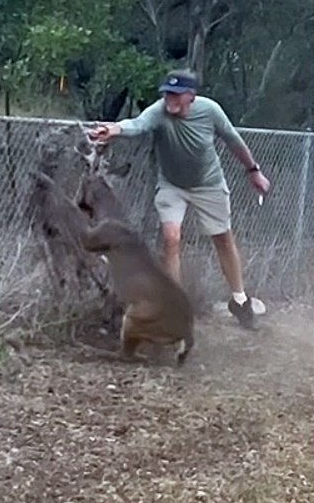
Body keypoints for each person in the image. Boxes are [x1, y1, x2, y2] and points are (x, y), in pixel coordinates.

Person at [87, 69, 272, 328]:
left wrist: (253, 171)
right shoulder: (158, 111)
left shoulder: (210, 110)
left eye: (176, 95)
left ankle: (239, 300)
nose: (169, 100)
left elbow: (233, 140)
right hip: (172, 185)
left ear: (190, 96)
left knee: (222, 238)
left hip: (209, 185)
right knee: (171, 238)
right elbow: (137, 124)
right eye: (167, 94)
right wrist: (114, 129)